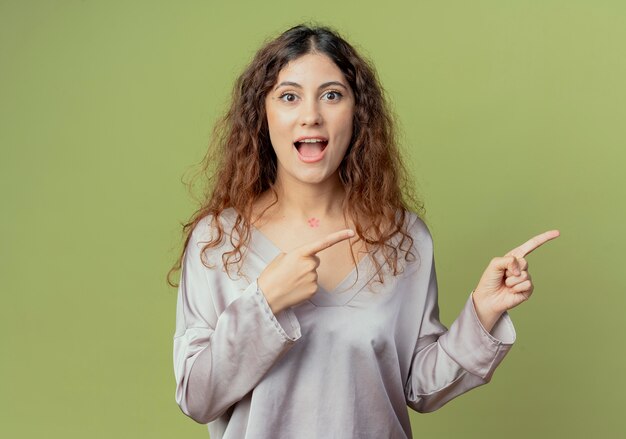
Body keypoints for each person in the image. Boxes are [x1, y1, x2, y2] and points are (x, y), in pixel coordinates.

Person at [169, 23, 560, 439]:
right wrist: (265, 302)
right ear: (262, 115)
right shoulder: (218, 241)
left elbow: (418, 385)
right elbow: (197, 396)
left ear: (357, 112)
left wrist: (482, 313)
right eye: (289, 96)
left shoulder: (403, 238)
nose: (310, 116)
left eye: (332, 95)